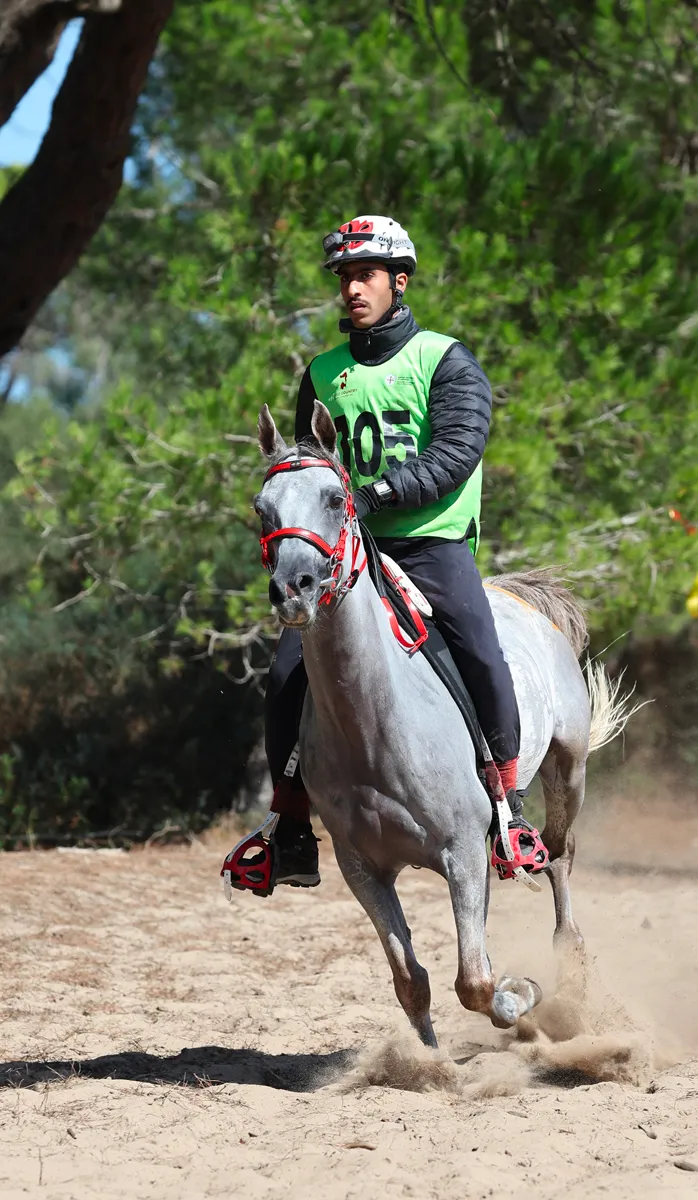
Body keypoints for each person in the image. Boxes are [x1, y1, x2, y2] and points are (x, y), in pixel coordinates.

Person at [254, 215, 546, 889]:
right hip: (346, 553)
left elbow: (455, 452)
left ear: (399, 281)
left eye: (365, 275)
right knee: (284, 676)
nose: (352, 288)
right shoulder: (322, 373)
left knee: (478, 647)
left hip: (430, 544)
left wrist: (376, 493)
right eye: (344, 278)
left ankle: (509, 811)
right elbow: (308, 467)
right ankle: (292, 829)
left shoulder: (446, 361)